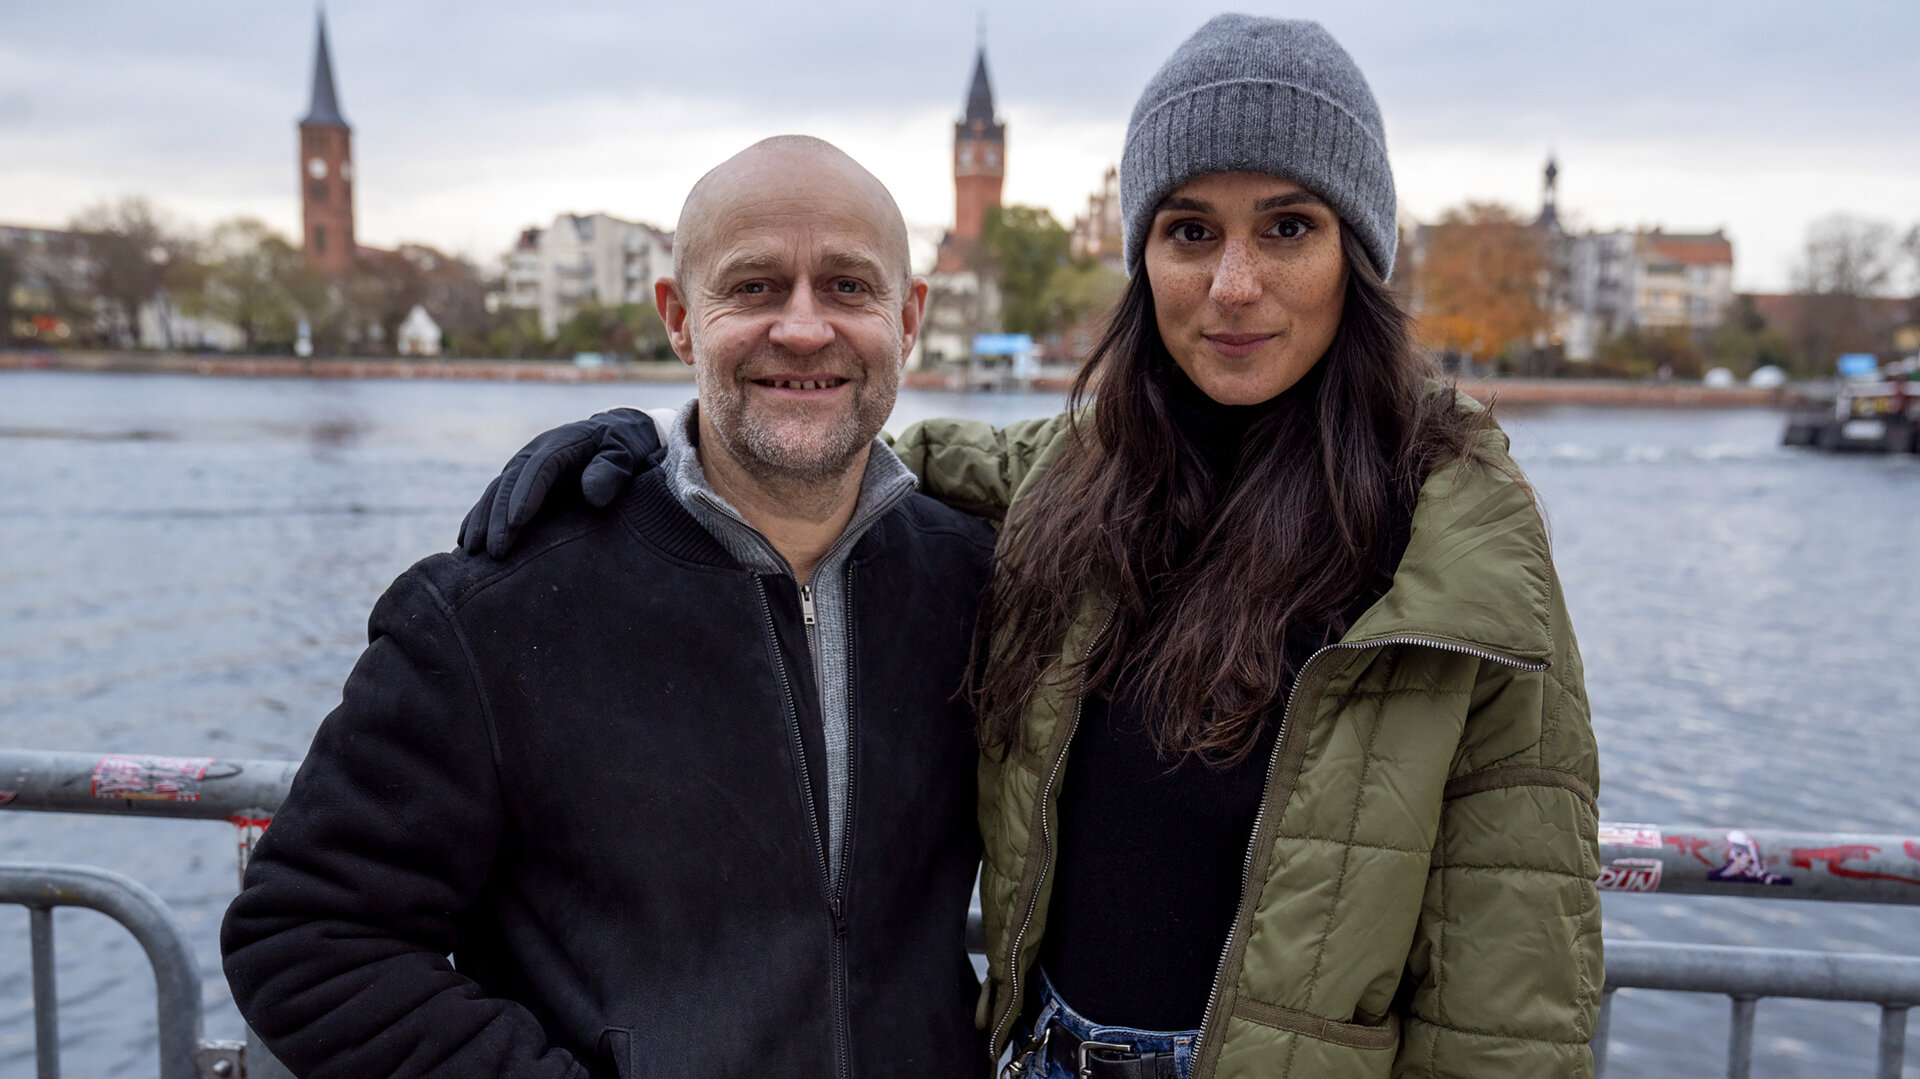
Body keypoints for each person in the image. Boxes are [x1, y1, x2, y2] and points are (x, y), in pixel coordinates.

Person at [471, 15, 1602, 1078]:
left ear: (1358, 255)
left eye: (1288, 227)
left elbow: (1509, 997)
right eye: (1190, 230)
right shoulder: (1082, 479)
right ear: (1142, 256)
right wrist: (649, 457)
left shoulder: (1451, 549)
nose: (1233, 284)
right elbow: (832, 439)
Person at [221, 136, 996, 1078]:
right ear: (679, 318)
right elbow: (310, 934)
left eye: (847, 287)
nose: (802, 328)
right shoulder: (495, 613)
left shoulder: (978, 585)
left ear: (908, 317)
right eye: (753, 287)